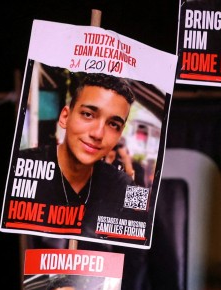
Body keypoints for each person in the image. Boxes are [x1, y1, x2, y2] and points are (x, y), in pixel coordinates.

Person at [14, 72, 135, 235]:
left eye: (113, 124)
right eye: (88, 114)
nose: (98, 134)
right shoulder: (20, 165)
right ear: (65, 117)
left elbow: (139, 252)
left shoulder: (126, 185)